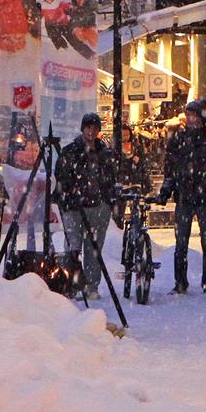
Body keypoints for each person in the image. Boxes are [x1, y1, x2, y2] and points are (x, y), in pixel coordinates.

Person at [157, 100, 206, 294]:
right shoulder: (179, 140)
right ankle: (180, 282)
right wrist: (167, 188)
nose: (191, 119)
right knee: (181, 243)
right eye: (188, 115)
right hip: (185, 196)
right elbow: (170, 169)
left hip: (204, 197)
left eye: (194, 115)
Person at [55, 113, 120, 299]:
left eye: (94, 128)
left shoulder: (105, 153)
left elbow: (111, 178)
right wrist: (68, 197)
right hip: (74, 207)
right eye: (88, 127)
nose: (91, 131)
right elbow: (61, 177)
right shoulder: (70, 152)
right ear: (82, 128)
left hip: (98, 207)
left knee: (94, 249)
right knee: (73, 246)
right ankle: (73, 284)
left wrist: (108, 199)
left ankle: (92, 286)